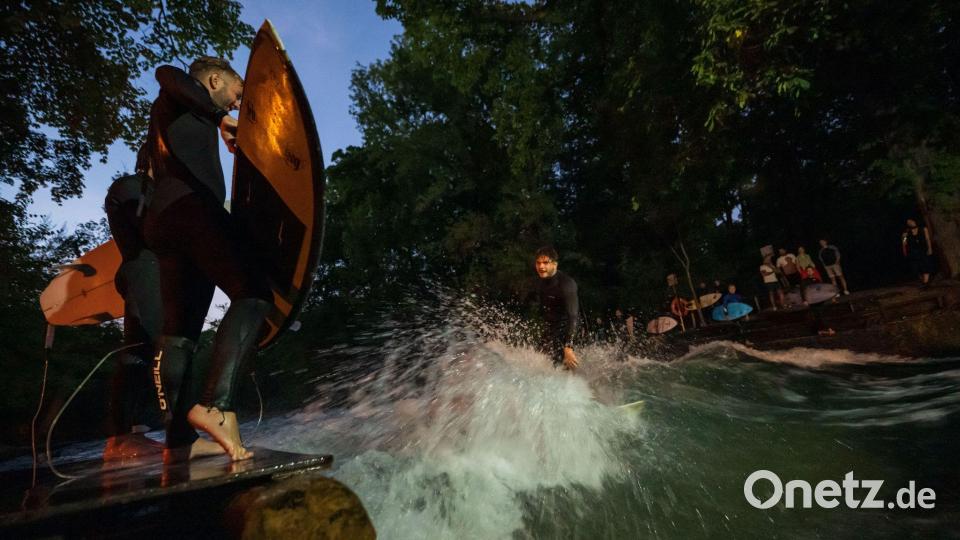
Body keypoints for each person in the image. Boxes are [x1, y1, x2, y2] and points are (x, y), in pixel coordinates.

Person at [143, 57, 273, 462]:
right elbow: (167, 73)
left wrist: (217, 121)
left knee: (179, 334)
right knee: (253, 293)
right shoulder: (177, 89)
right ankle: (216, 405)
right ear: (214, 79)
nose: (236, 105)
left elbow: (184, 96)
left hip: (164, 221)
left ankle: (178, 441)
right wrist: (218, 115)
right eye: (236, 95)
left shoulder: (177, 115)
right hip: (191, 209)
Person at [102, 148, 167, 460]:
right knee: (161, 345)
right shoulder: (131, 186)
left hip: (151, 273)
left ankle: (130, 435)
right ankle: (120, 438)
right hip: (143, 270)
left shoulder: (157, 192)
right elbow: (151, 227)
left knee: (141, 352)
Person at [533, 246, 580, 370]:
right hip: (551, 331)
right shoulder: (540, 281)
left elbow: (573, 316)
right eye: (538, 263)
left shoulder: (566, 284)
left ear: (555, 264)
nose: (541, 266)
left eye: (545, 263)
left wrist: (569, 346)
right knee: (539, 362)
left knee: (562, 368)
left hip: (568, 332)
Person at [902, 219, 935, 286]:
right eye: (908, 222)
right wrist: (905, 252)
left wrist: (930, 248)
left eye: (911, 221)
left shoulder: (923, 229)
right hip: (913, 252)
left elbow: (927, 239)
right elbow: (904, 243)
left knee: (925, 264)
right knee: (916, 266)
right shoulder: (905, 233)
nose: (911, 223)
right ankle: (922, 280)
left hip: (923, 249)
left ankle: (926, 282)